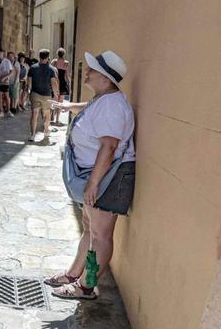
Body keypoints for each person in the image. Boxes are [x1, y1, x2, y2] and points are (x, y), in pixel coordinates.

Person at [47, 51, 135, 300]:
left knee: (100, 234)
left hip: (106, 178)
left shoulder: (113, 105)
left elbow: (108, 147)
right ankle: (74, 274)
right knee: (89, 227)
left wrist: (93, 184)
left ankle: (86, 286)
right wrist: (68, 106)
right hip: (95, 176)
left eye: (92, 70)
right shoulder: (103, 99)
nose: (86, 72)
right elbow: (88, 110)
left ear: (106, 79)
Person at [27, 49, 60, 143]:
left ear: (39, 56)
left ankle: (32, 135)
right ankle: (46, 130)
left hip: (35, 93)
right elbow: (54, 83)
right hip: (46, 94)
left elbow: (29, 82)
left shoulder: (33, 67)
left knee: (34, 114)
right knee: (47, 114)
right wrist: (56, 95)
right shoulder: (51, 69)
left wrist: (29, 93)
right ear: (48, 57)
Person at [52, 47, 72, 125]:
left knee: (54, 100)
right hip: (63, 83)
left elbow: (50, 72)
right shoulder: (66, 63)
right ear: (64, 54)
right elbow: (67, 76)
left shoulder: (54, 62)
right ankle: (57, 120)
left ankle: (52, 115)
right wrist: (69, 85)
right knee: (60, 102)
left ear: (57, 54)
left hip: (55, 82)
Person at [0, 49, 13, 119]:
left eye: (1, 53)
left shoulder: (7, 61)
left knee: (6, 96)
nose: (0, 54)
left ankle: (8, 110)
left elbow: (11, 72)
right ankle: (1, 111)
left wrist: (5, 77)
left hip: (5, 80)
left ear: (3, 54)